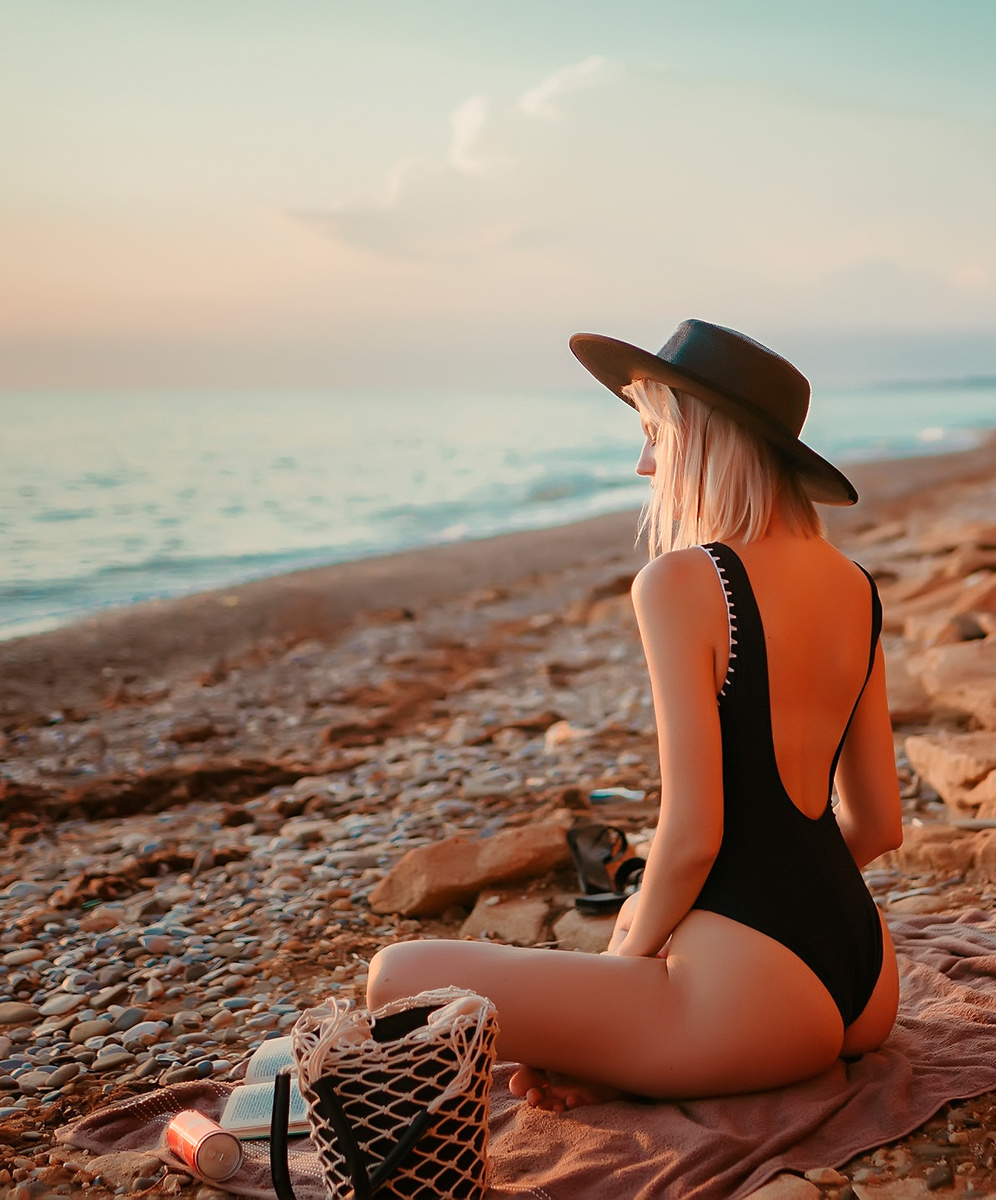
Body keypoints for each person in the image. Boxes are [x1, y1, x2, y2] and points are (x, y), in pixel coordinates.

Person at [365, 320, 902, 1110]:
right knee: (627, 975)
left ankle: (647, 1038)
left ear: (706, 440)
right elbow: (880, 822)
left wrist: (629, 965)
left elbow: (692, 839)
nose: (643, 461)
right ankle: (639, 1046)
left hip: (753, 1004)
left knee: (395, 977)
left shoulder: (685, 583)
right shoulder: (856, 585)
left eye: (655, 433)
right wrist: (769, 916)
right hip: (866, 980)